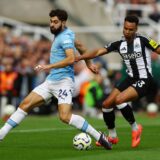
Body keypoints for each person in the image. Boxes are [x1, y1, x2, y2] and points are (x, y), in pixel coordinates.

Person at [0, 9, 112, 150]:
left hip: (64, 82)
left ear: (63, 22)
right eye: (51, 21)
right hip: (51, 81)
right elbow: (81, 47)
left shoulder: (64, 37)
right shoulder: (66, 33)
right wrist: (89, 64)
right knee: (25, 105)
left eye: (55, 22)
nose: (52, 24)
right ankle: (1, 134)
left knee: (65, 117)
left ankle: (99, 136)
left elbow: (71, 58)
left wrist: (49, 65)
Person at [76, 15, 160, 148]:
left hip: (144, 79)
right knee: (106, 104)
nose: (127, 31)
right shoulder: (119, 44)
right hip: (130, 78)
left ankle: (135, 128)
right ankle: (112, 136)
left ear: (136, 29)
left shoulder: (143, 40)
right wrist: (80, 57)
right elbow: (98, 51)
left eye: (131, 29)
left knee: (120, 100)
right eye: (125, 28)